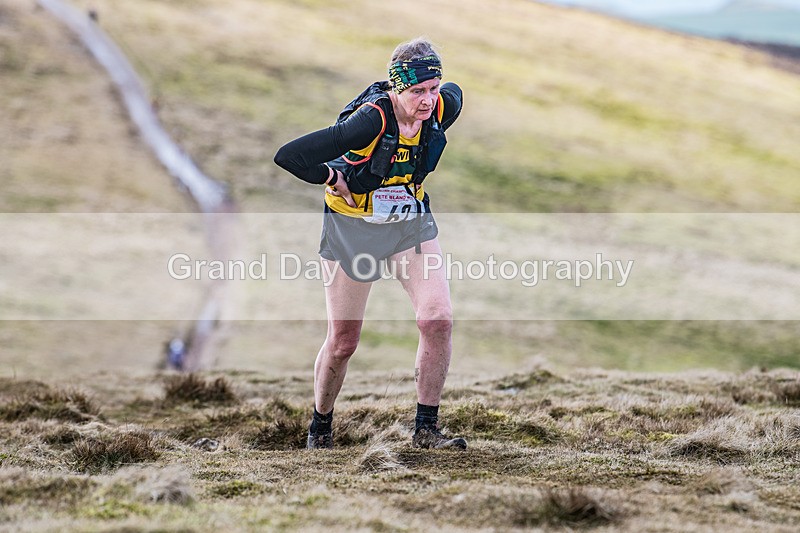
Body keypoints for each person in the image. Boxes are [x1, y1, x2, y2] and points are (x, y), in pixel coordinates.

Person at [274, 38, 466, 450]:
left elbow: (455, 94)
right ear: (397, 88)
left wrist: (436, 94)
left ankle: (426, 431)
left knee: (438, 320)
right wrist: (331, 176)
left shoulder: (443, 105)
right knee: (344, 343)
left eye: (433, 88)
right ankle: (320, 428)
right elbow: (288, 156)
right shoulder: (370, 121)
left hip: (408, 223)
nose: (428, 100)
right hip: (353, 227)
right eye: (417, 91)